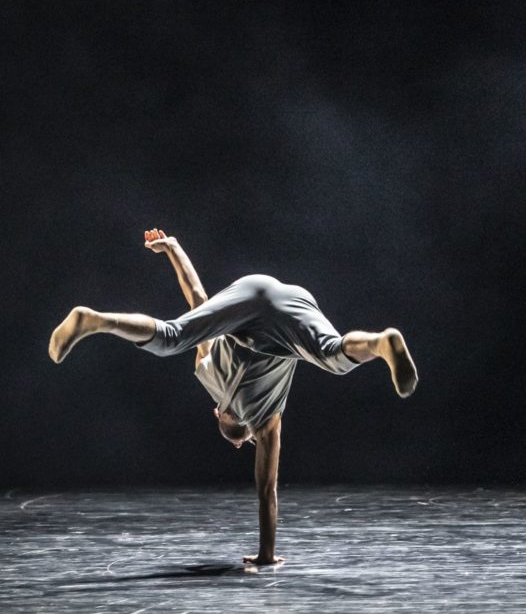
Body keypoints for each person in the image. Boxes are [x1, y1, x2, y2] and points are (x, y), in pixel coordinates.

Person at [49, 229, 419, 565]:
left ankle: (379, 342)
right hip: (270, 303)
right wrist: (174, 248)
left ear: (233, 422)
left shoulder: (268, 420)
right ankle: (97, 320)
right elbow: (196, 296)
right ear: (219, 415)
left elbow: (267, 490)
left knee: (333, 356)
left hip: (267, 308)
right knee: (174, 336)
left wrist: (267, 554)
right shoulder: (210, 373)